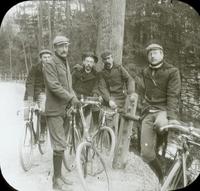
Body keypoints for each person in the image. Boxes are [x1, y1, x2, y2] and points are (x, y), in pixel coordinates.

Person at [135, 43, 181, 183]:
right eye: (150, 54)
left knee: (161, 125)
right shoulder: (145, 72)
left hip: (164, 110)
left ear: (162, 54)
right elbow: (143, 91)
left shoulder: (172, 71)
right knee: (146, 154)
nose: (152, 56)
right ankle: (161, 176)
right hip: (149, 110)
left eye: (155, 53)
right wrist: (141, 106)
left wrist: (172, 117)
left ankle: (166, 159)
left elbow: (173, 95)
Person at [42, 35, 79, 191]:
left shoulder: (65, 62)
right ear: (55, 48)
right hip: (54, 110)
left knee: (61, 144)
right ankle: (55, 181)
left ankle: (59, 175)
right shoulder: (50, 64)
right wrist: (71, 97)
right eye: (61, 46)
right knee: (59, 145)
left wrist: (74, 97)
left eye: (66, 46)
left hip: (64, 110)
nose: (65, 49)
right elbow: (54, 86)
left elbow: (69, 86)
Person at [24, 49, 52, 141]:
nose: (47, 59)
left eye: (48, 57)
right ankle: (31, 133)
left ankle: (42, 132)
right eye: (45, 57)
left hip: (43, 93)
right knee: (26, 115)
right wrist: (31, 97)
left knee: (43, 111)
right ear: (41, 58)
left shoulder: (53, 69)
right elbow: (30, 83)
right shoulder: (35, 68)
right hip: (31, 93)